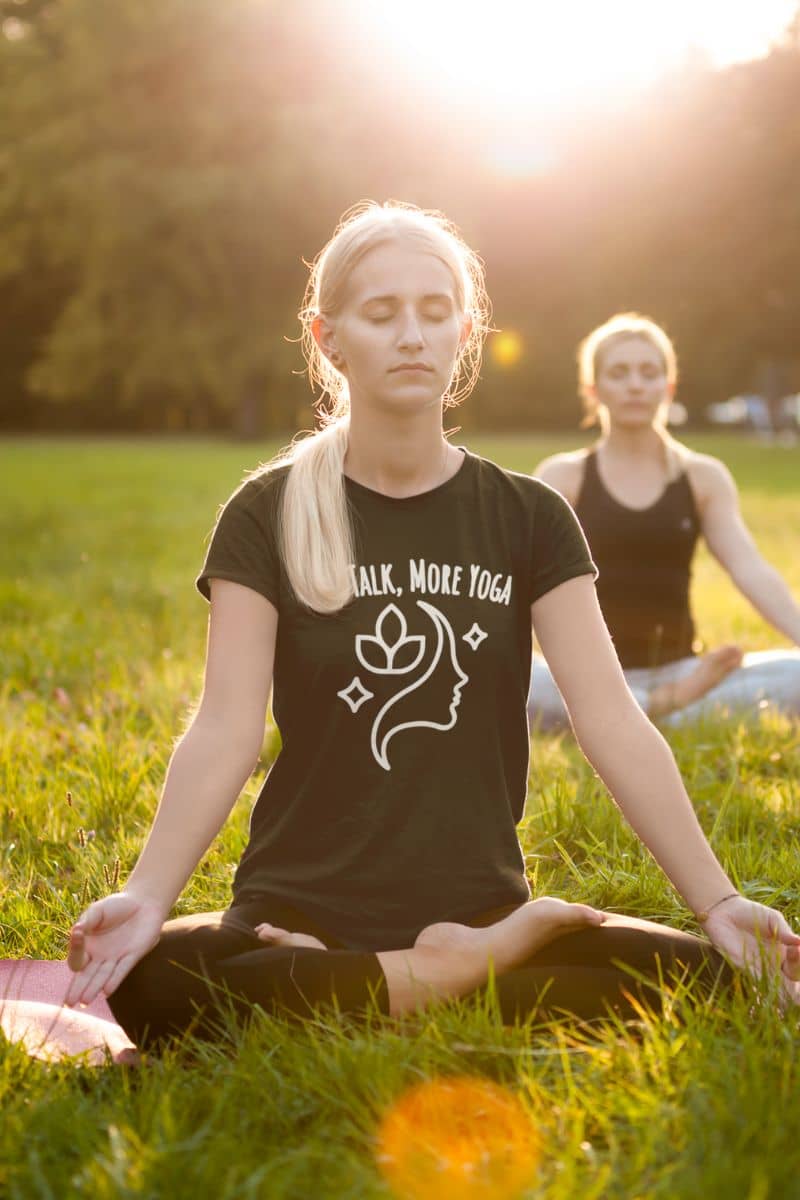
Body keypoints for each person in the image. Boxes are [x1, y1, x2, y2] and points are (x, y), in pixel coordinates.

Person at [49, 205, 800, 1055]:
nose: (412, 335)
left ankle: (393, 980)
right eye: (382, 314)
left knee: (716, 978)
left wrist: (719, 902)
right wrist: (149, 895)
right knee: (155, 977)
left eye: (434, 312)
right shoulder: (267, 513)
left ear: (464, 331)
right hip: (299, 911)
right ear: (328, 337)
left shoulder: (528, 516)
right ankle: (454, 976)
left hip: (475, 903)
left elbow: (613, 720)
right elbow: (224, 729)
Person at [530, 313, 800, 730]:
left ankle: (643, 711)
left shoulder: (703, 477)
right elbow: (526, 580)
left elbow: (750, 568)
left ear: (668, 387)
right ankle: (665, 710)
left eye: (649, 373)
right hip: (582, 677)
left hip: (681, 669)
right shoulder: (562, 477)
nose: (636, 384)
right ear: (593, 389)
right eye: (619, 373)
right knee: (509, 676)